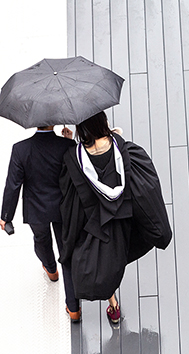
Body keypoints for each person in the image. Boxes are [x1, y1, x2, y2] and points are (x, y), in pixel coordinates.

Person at [59, 111, 171, 324]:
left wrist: (68, 144)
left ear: (81, 130)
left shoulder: (74, 159)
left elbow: (68, 198)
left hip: (95, 224)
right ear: (103, 123)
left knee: (104, 260)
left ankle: (113, 304)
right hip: (125, 221)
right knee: (117, 256)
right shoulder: (125, 150)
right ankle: (114, 307)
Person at [1, 125, 80, 321]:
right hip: (63, 209)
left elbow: (13, 185)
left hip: (36, 209)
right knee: (67, 253)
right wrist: (71, 142)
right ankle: (73, 308)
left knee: (41, 240)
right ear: (53, 123)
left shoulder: (21, 149)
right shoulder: (66, 146)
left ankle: (51, 270)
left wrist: (6, 216)